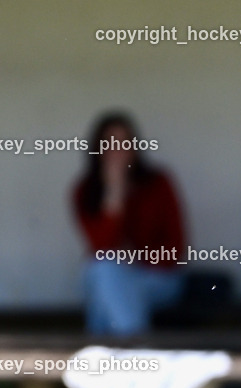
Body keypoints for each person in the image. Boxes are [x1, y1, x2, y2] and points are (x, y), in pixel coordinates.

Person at [72, 112, 188, 336]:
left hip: (159, 278)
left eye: (123, 143)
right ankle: (136, 351)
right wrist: (113, 196)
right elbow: (102, 247)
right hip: (110, 276)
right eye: (109, 144)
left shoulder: (159, 183)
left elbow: (175, 249)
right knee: (104, 272)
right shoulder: (84, 190)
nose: (117, 152)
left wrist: (135, 258)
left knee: (105, 285)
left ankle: (108, 356)